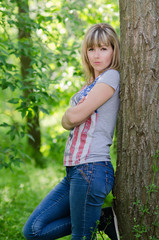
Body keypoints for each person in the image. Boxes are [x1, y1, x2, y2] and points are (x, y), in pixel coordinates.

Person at [23, 23, 120, 240]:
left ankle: (97, 220)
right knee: (33, 230)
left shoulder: (111, 77)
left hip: (92, 167)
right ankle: (102, 219)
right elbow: (66, 121)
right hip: (74, 171)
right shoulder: (92, 83)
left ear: (114, 50)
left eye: (104, 48)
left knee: (82, 236)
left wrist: (72, 113)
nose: (97, 55)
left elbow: (73, 118)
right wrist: (71, 114)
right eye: (91, 49)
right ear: (85, 51)